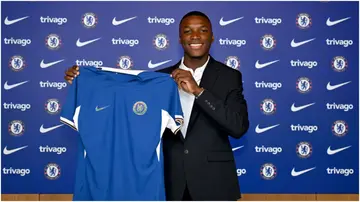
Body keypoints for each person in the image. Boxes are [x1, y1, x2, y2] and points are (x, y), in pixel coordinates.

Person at [64, 11, 249, 201]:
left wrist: (198, 91)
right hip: (167, 182)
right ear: (179, 38)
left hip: (214, 183)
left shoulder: (230, 76)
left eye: (202, 30)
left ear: (212, 36)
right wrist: (83, 84)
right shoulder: (159, 79)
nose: (195, 36)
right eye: (188, 31)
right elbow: (124, 107)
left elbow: (238, 127)